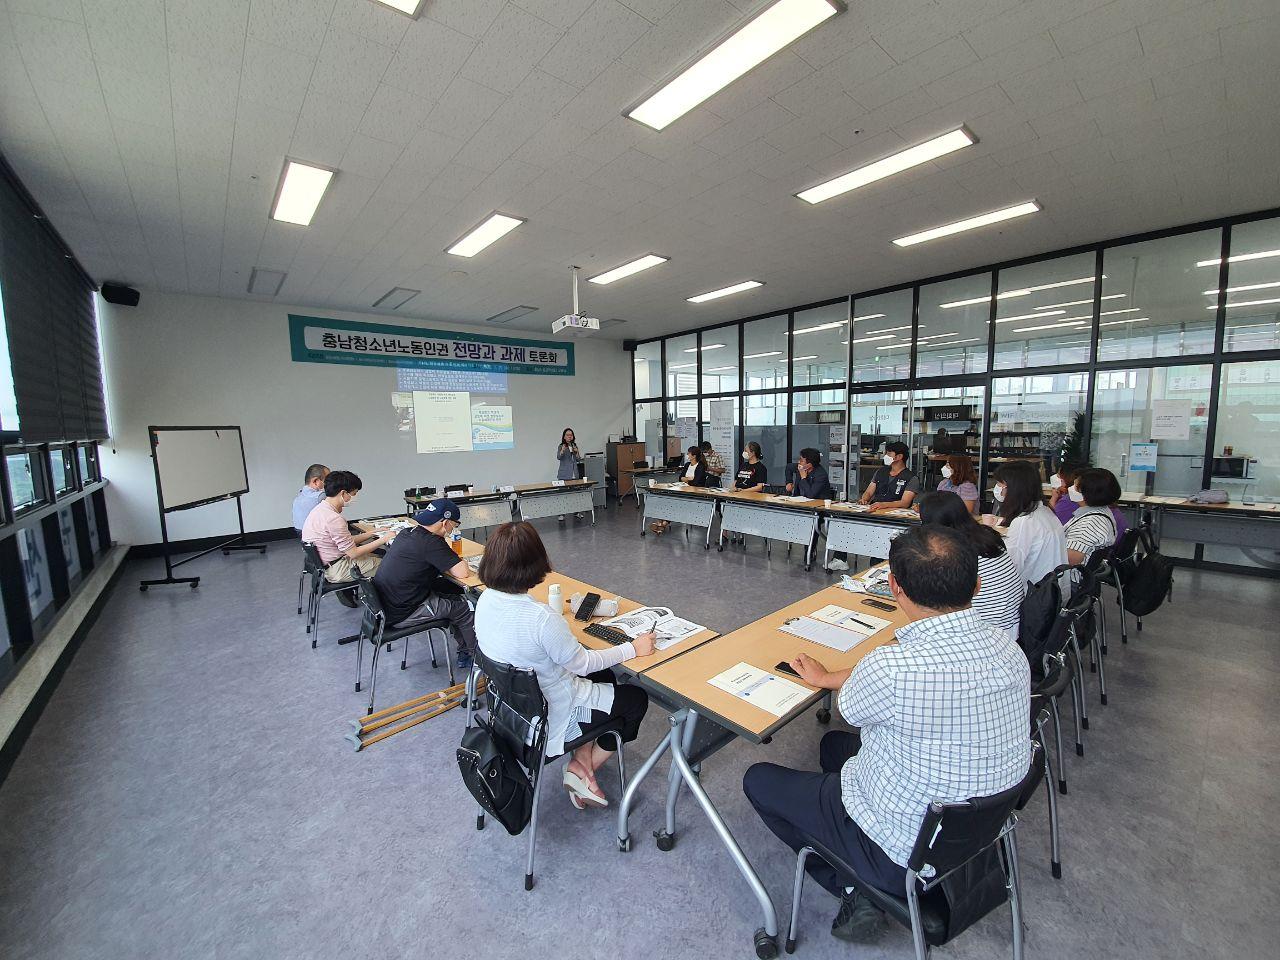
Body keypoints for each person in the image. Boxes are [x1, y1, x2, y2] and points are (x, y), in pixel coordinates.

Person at [742, 526, 1030, 943]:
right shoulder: (1009, 648)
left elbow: (851, 710)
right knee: (832, 746)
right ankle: (858, 876)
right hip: (981, 830)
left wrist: (825, 676)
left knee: (759, 780)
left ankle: (855, 886)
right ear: (978, 583)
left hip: (902, 850)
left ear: (894, 587)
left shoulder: (893, 667)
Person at [475, 522, 654, 809]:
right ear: (535, 563)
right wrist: (632, 648)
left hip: (511, 711)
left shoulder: (485, 599)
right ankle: (583, 770)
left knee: (605, 674)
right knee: (635, 700)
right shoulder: (541, 618)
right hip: (549, 716)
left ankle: (581, 759)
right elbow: (581, 664)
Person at [372, 498, 478, 671]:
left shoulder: (408, 532)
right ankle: (476, 659)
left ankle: (465, 650)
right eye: (454, 524)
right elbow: (462, 572)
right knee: (466, 608)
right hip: (404, 611)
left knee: (453, 596)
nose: (454, 529)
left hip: (388, 604)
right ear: (445, 523)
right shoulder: (432, 542)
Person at [918, 490, 1025, 642]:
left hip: (989, 633)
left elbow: (936, 597)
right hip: (1011, 625)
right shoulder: (986, 536)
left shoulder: (957, 552)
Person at [300, 470, 394, 584]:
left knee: (376, 555)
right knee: (391, 566)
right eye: (354, 494)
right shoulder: (333, 519)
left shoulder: (320, 510)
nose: (354, 497)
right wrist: (384, 539)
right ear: (343, 493)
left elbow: (345, 542)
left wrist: (372, 533)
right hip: (338, 568)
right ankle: (382, 599)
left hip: (327, 565)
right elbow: (353, 553)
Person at [984, 461, 1066, 586]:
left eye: (999, 483)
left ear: (1011, 487)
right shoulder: (1044, 510)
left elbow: (1008, 567)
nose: (997, 487)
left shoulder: (1024, 522)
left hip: (1034, 595)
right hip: (1053, 591)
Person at [1051, 462, 1128, 540]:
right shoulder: (1104, 509)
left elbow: (1050, 527)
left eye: (1075, 485)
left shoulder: (1087, 524)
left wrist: (1053, 499)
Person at [1063, 468, 1121, 566]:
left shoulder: (1088, 525)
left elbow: (1070, 560)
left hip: (1070, 578)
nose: (1071, 488)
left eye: (1075, 486)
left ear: (1086, 493)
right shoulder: (1103, 511)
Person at [858, 441, 919, 513]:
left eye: (889, 454)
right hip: (874, 510)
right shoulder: (880, 471)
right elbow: (869, 492)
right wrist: (864, 499)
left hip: (895, 514)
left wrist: (884, 505)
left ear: (899, 457)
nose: (885, 456)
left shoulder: (911, 478)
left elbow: (905, 503)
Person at [556, 427, 584, 521]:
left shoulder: (574, 445)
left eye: (571, 435)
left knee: (575, 494)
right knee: (562, 494)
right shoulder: (561, 446)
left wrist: (577, 453)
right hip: (564, 474)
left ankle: (577, 512)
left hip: (574, 474)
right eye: (568, 435)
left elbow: (579, 459)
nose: (569, 437)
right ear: (564, 437)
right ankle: (561, 514)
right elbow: (559, 457)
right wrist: (563, 450)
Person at [291, 463, 328, 531]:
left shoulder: (300, 495)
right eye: (328, 480)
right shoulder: (320, 496)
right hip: (314, 535)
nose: (330, 483)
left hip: (299, 532)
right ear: (316, 481)